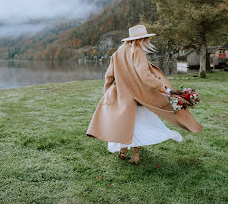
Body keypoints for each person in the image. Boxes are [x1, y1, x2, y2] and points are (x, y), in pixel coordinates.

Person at [86, 25, 203, 164]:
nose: (146, 41)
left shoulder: (117, 54)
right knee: (140, 124)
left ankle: (123, 151)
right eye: (145, 39)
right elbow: (144, 75)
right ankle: (135, 154)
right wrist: (163, 88)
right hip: (140, 95)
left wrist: (107, 92)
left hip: (123, 96)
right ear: (141, 39)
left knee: (126, 123)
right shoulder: (137, 51)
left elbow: (108, 76)